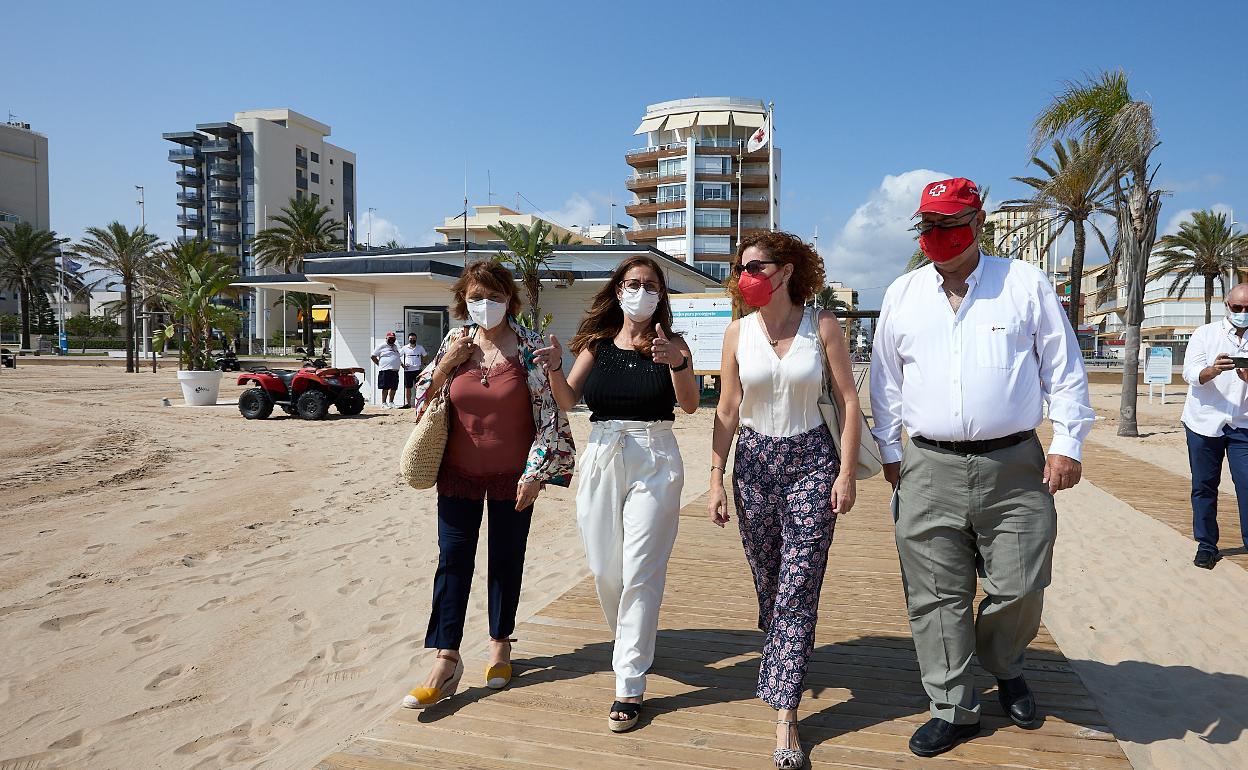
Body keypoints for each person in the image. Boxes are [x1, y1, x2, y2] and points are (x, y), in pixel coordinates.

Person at [870, 178, 1094, 757]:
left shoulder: (1024, 283)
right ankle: (954, 706)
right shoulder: (902, 293)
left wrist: (1068, 442)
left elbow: (1064, 367)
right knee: (935, 595)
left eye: (949, 224)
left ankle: (1003, 662)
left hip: (1015, 464)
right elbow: (886, 381)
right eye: (928, 225)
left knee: (1021, 583)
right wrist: (891, 453)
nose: (937, 236)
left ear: (977, 223)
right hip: (928, 465)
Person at [706, 231, 859, 770]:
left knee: (798, 587)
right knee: (770, 584)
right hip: (753, 467)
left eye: (756, 265)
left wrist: (846, 472)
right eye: (741, 267)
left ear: (787, 270)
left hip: (812, 463)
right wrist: (716, 475)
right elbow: (727, 409)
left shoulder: (822, 326)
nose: (746, 274)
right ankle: (782, 658)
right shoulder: (736, 334)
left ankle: (785, 716)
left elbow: (847, 399)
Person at [533, 255, 698, 733]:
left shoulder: (673, 345)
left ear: (661, 295)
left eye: (650, 285)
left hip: (656, 454)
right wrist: (553, 368)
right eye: (633, 283)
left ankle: (628, 681)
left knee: (642, 568)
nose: (641, 291)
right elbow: (567, 400)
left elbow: (688, 405)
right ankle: (631, 638)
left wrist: (678, 362)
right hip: (604, 452)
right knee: (606, 568)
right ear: (618, 289)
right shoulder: (597, 345)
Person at [401, 260, 575, 709]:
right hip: (457, 476)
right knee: (452, 561)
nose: (485, 304)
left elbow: (555, 413)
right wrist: (446, 369)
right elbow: (423, 398)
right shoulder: (454, 343)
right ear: (463, 300)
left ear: (509, 300)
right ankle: (445, 657)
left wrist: (536, 474)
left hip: (513, 478)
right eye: (476, 297)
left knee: (505, 560)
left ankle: (500, 642)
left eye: (494, 296)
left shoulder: (532, 347)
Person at [1180, 283, 1248, 569]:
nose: (1243, 313)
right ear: (1226, 304)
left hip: (1243, 424)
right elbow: (1190, 373)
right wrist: (1212, 370)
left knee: (1246, 485)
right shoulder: (1205, 334)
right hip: (1203, 422)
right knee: (1204, 486)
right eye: (1238, 308)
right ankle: (1207, 545)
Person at [370, 331, 402, 409]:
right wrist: (379, 364)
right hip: (385, 370)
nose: (392, 340)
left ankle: (391, 402)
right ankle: (384, 403)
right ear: (386, 338)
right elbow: (373, 356)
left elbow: (397, 357)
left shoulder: (395, 347)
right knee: (385, 387)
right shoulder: (381, 346)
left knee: (394, 387)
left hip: (395, 370)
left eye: (393, 338)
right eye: (390, 338)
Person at [399, 332, 429, 409]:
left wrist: (424, 363)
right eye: (411, 339)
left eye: (414, 339)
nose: (412, 340)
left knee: (419, 387)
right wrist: (402, 365)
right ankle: (408, 404)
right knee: (408, 387)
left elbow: (425, 356)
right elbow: (397, 356)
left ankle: (418, 403)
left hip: (418, 370)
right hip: (408, 371)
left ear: (416, 339)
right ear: (408, 339)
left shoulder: (420, 347)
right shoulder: (405, 348)